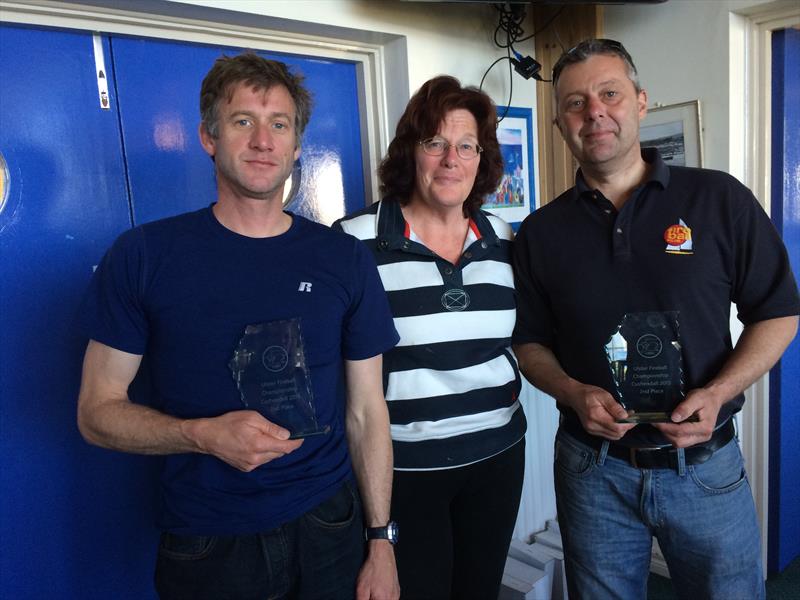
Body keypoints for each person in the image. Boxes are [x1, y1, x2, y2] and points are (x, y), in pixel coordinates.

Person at [76, 52, 401, 600]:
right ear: (208, 136)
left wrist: (381, 540)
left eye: (279, 124)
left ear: (297, 146)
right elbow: (95, 413)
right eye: (242, 121)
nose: (262, 140)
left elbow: (368, 411)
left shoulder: (344, 258)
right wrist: (199, 435)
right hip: (207, 540)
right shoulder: (144, 256)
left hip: (329, 525)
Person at [512, 38, 800, 599]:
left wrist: (719, 391)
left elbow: (780, 312)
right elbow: (529, 343)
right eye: (575, 102)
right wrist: (571, 391)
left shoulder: (720, 200)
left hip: (705, 465)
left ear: (640, 102)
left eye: (609, 93)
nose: (594, 111)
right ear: (559, 124)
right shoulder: (541, 232)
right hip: (591, 470)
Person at [335, 75, 527, 599]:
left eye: (467, 146)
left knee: (479, 590)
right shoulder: (354, 242)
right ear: (410, 153)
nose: (451, 159)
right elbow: (351, 388)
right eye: (435, 143)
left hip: (497, 457)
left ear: (481, 159)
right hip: (406, 469)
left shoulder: (504, 239)